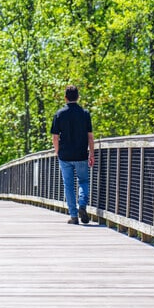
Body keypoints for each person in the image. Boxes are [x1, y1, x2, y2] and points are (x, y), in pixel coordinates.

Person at [50, 85, 95, 224]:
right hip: (81, 154)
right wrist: (91, 153)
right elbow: (90, 137)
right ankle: (82, 204)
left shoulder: (59, 114)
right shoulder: (84, 113)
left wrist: (58, 152)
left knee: (68, 185)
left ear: (65, 97)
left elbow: (55, 137)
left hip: (65, 155)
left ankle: (74, 216)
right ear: (78, 97)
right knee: (83, 181)